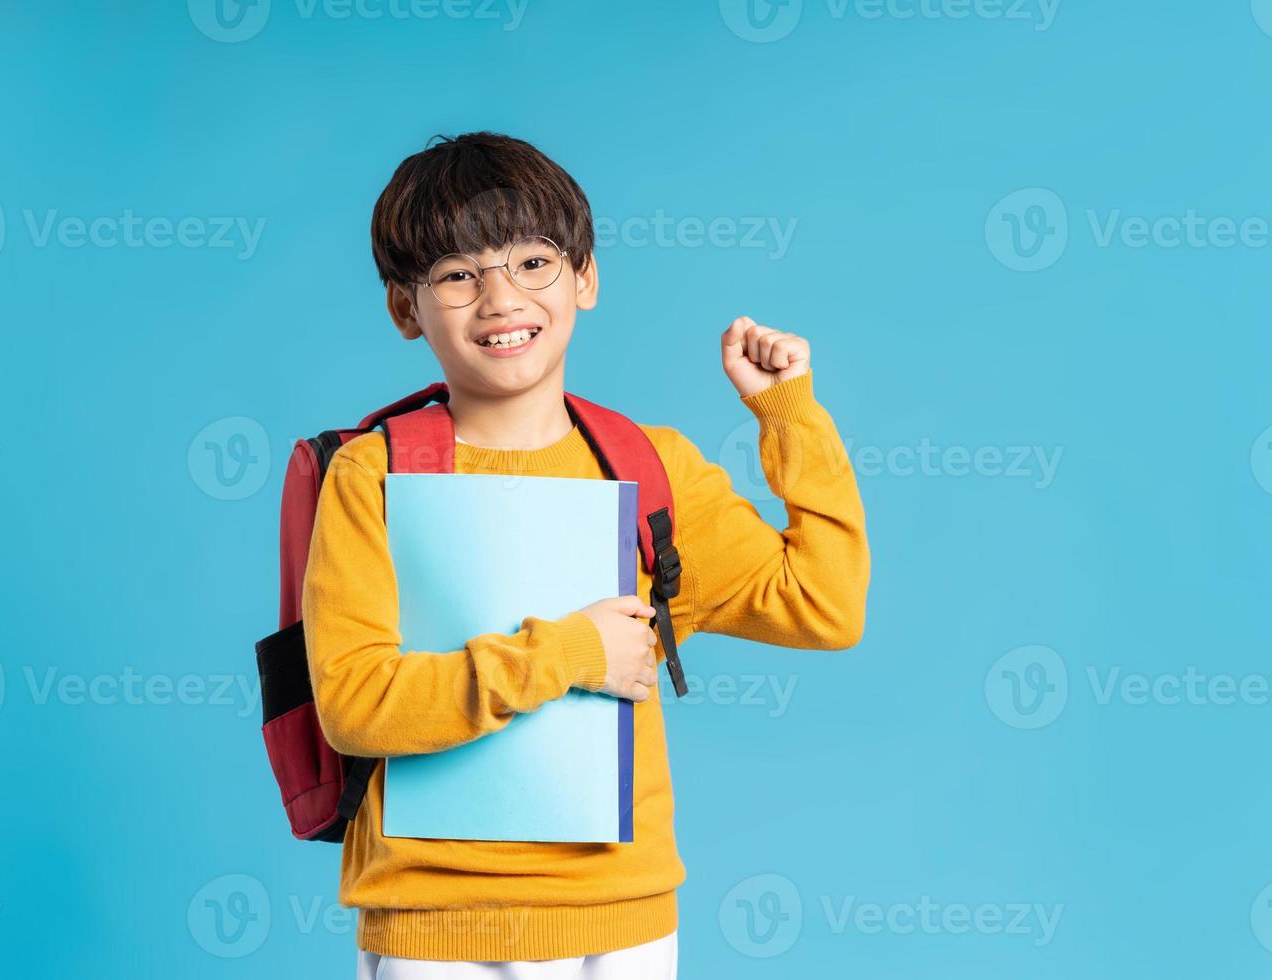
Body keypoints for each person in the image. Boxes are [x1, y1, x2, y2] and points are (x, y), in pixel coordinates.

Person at [301, 131, 871, 979]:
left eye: (532, 263)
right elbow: (353, 706)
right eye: (458, 275)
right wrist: (572, 653)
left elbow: (825, 606)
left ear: (586, 278)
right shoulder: (372, 474)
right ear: (403, 308)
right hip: (436, 927)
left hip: (625, 924)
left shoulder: (650, 465)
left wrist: (788, 415)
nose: (500, 299)